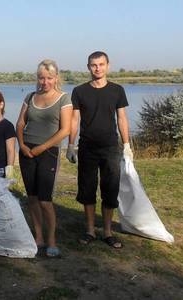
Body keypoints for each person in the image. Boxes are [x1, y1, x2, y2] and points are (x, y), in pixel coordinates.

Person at [67, 51, 132, 249]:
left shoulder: (117, 90)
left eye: (101, 64)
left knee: (110, 189)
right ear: (88, 67)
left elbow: (121, 118)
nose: (98, 68)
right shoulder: (79, 91)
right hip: (87, 147)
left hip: (111, 147)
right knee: (87, 189)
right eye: (94, 65)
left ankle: (107, 232)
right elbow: (74, 119)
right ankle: (89, 230)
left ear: (108, 66)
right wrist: (70, 145)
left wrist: (127, 144)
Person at [15, 59, 72, 257]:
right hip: (26, 152)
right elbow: (20, 124)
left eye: (49, 78)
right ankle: (38, 236)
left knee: (45, 200)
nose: (44, 82)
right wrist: (22, 145)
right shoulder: (31, 96)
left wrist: (42, 148)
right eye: (41, 78)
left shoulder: (64, 99)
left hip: (48, 152)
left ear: (56, 78)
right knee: (31, 198)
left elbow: (65, 130)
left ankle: (52, 240)